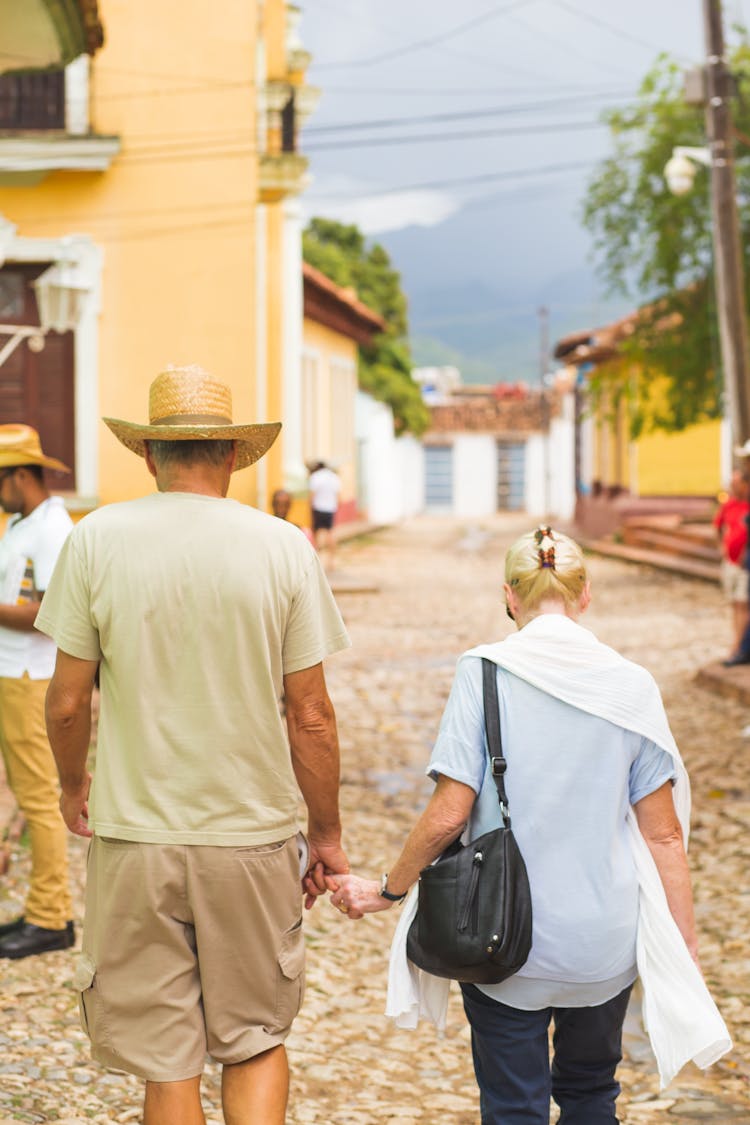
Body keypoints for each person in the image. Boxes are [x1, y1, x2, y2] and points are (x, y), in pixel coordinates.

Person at [36, 365, 351, 1125]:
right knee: (253, 1040)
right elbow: (310, 715)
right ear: (235, 457)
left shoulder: (95, 539)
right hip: (249, 837)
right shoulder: (283, 547)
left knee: (164, 1056)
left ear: (150, 455)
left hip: (136, 834)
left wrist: (73, 786)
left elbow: (68, 700)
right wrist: (328, 833)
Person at [328, 527, 729, 1123]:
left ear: (510, 596)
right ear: (584, 594)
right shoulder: (631, 685)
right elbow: (664, 835)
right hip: (603, 944)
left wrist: (390, 890)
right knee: (593, 1094)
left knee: (513, 1105)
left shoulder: (484, 673)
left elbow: (448, 814)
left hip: (502, 940)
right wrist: (684, 946)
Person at [0, 424, 74, 960]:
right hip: (13, 673)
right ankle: (39, 909)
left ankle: (52, 918)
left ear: (20, 475)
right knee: (32, 796)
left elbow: (52, 614)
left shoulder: (52, 529)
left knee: (39, 801)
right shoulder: (23, 522)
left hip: (30, 676)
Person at [713, 470, 750, 660]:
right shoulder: (729, 505)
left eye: (736, 482)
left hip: (745, 564)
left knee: (743, 603)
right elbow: (718, 526)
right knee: (735, 603)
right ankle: (737, 641)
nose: (733, 486)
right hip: (730, 562)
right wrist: (722, 547)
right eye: (731, 482)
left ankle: (739, 646)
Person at [308, 461, 340, 568]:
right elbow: (338, 495)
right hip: (330, 509)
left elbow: (312, 495)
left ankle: (317, 561)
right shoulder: (334, 477)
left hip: (318, 508)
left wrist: (309, 509)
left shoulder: (315, 477)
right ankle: (331, 561)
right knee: (330, 534)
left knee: (317, 534)